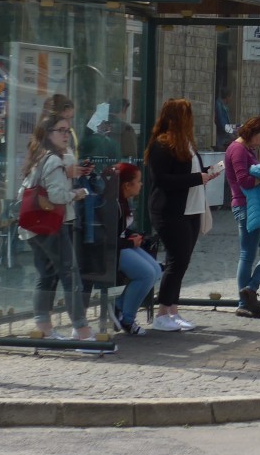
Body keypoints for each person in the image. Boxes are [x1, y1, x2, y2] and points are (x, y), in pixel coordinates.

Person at [20, 111, 104, 346]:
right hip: (53, 225)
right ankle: (82, 330)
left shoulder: (40, 156)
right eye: (61, 130)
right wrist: (78, 193)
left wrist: (70, 171)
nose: (66, 135)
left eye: (68, 130)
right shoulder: (54, 160)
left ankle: (44, 327)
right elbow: (57, 195)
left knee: (46, 276)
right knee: (70, 275)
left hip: (34, 225)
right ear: (48, 133)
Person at [145, 98, 216, 331]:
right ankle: (162, 313)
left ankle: (172, 310)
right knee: (176, 261)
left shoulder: (187, 143)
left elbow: (191, 172)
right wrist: (197, 178)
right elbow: (162, 179)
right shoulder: (161, 144)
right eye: (187, 115)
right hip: (170, 210)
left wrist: (207, 174)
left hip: (192, 209)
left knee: (183, 261)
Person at [225, 116, 260, 318]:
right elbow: (245, 181)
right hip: (246, 206)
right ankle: (243, 302)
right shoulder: (238, 150)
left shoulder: (247, 149)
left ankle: (250, 289)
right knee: (247, 255)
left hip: (255, 207)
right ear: (252, 133)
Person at [109, 162, 162, 335]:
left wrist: (133, 237)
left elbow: (120, 230)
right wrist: (131, 242)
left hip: (121, 245)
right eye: (138, 181)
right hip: (111, 251)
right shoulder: (113, 204)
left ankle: (118, 307)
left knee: (155, 269)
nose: (141, 184)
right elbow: (109, 238)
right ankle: (127, 319)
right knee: (146, 274)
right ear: (126, 185)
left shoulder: (122, 201)